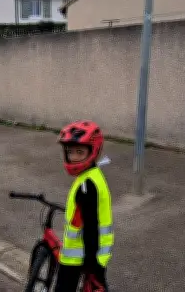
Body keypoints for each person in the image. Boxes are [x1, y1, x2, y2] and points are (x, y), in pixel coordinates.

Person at [54, 120, 114, 292]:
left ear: (93, 151)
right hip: (91, 255)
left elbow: (91, 226)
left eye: (80, 152)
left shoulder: (87, 185)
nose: (73, 157)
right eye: (70, 151)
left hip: (81, 257)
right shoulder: (92, 175)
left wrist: (91, 264)